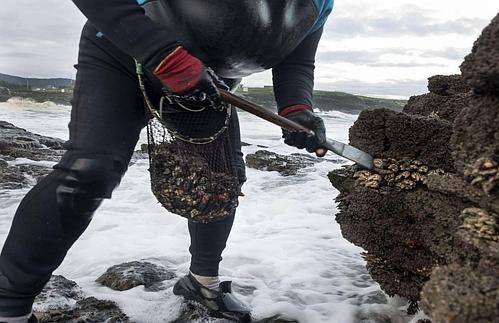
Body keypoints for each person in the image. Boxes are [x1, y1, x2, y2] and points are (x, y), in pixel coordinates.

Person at [0, 0, 333, 322]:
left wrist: (297, 109)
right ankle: (9, 304)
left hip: (208, 84)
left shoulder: (321, 4)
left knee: (219, 183)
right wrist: (167, 60)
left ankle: (202, 284)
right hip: (123, 53)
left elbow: (296, 61)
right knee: (90, 171)